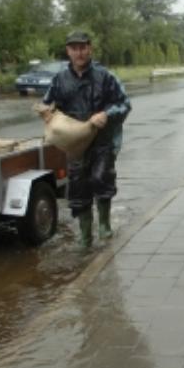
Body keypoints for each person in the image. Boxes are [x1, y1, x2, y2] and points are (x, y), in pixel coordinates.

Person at [43, 31, 131, 247]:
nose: (79, 52)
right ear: (68, 51)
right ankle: (84, 235)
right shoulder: (60, 79)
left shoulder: (105, 76)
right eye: (74, 48)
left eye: (83, 48)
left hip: (102, 140)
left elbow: (124, 103)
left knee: (102, 179)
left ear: (90, 49)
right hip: (74, 144)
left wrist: (106, 114)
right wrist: (47, 111)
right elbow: (48, 103)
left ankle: (104, 225)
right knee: (78, 186)